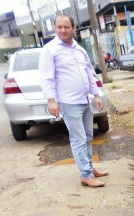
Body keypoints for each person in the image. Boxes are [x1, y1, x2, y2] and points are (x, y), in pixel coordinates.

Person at [39, 13, 108, 188]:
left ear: (73, 28)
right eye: (59, 27)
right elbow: (47, 77)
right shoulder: (50, 49)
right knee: (78, 139)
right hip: (69, 102)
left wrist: (96, 95)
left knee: (88, 136)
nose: (62, 30)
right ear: (55, 28)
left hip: (84, 100)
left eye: (66, 27)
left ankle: (90, 169)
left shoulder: (79, 49)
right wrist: (51, 101)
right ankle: (86, 175)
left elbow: (89, 73)